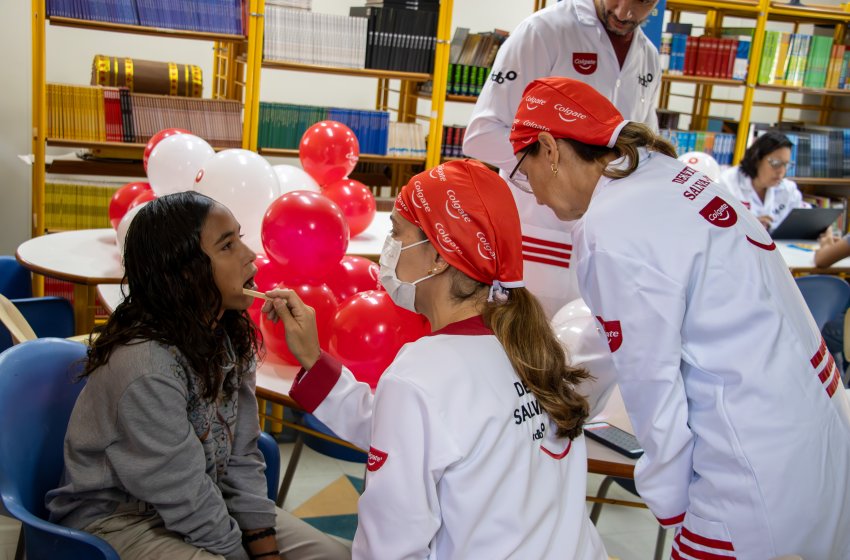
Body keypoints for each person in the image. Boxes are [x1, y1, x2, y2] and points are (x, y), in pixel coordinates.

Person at [508, 76, 850, 558]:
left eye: (525, 175)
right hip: (815, 424)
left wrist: (672, 506)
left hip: (752, 463)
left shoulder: (612, 226)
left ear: (549, 148)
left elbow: (653, 388)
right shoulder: (669, 176)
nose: (536, 197)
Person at [261, 160, 607, 559]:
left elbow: (389, 547)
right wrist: (313, 359)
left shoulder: (422, 373)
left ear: (440, 257)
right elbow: (415, 434)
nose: (388, 249)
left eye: (397, 233)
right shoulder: (531, 345)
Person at [46, 192, 349, 560]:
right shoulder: (145, 366)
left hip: (206, 497)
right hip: (120, 520)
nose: (250, 255)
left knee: (333, 555)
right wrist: (243, 554)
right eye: (227, 245)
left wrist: (264, 547)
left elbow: (242, 454)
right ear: (185, 272)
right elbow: (182, 490)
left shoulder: (229, 335)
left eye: (239, 237)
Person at [463, 0, 661, 318]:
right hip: (537, 233)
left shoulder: (649, 57)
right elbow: (482, 135)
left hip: (606, 245)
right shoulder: (543, 32)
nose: (625, 12)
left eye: (643, 2)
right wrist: (559, 177)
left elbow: (642, 147)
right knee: (521, 347)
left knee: (582, 349)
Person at [717, 130, 809, 232]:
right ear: (757, 159)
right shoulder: (727, 182)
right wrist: (747, 226)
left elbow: (805, 220)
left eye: (786, 165)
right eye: (775, 163)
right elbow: (715, 227)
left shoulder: (788, 189)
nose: (781, 171)